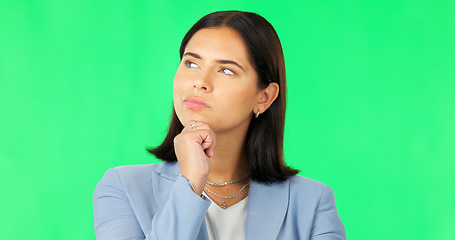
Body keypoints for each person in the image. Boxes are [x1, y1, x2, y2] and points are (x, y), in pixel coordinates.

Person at [93, 10, 346, 240]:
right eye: (191, 63)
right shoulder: (123, 188)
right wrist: (191, 182)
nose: (200, 82)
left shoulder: (313, 203)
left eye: (226, 70)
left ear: (264, 97)